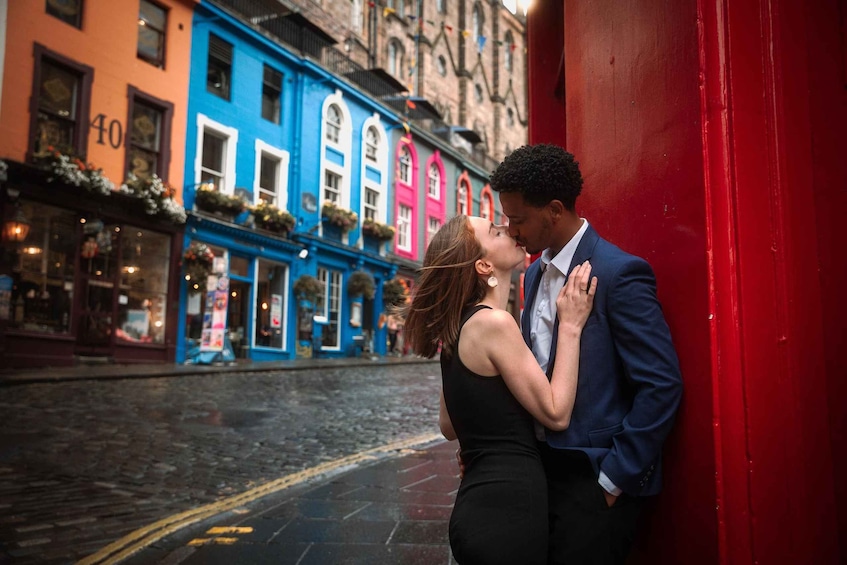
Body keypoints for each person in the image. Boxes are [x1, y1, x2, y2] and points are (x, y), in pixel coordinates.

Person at [490, 144, 683, 565]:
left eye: (518, 219)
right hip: (541, 473)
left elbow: (661, 384)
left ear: (554, 211)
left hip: (592, 480)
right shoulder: (534, 272)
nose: (511, 230)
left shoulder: (620, 273)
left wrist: (613, 480)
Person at [403, 215, 597, 565]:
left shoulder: (458, 326)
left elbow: (449, 427)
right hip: (508, 514)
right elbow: (556, 412)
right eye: (495, 231)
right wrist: (569, 325)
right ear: (483, 265)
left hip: (477, 508)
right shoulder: (494, 323)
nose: (508, 229)